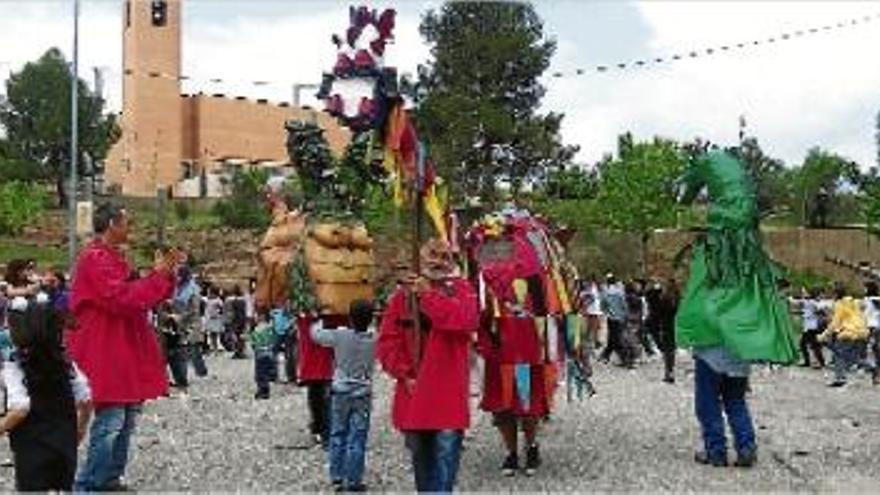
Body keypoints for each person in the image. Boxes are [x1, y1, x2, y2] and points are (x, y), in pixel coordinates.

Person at [676, 150, 799, 469]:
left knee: (707, 405)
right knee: (735, 400)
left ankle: (715, 451)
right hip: (738, 354)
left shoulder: (710, 274)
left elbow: (685, 195)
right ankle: (746, 448)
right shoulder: (749, 281)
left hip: (711, 352)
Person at [67, 202, 185, 491]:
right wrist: (156, 276)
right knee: (111, 420)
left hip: (122, 347)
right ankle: (89, 484)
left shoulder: (113, 258)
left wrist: (165, 274)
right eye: (126, 222)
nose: (130, 227)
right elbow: (122, 299)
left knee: (127, 418)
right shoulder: (95, 258)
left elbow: (142, 296)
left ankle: (109, 478)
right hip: (105, 349)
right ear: (111, 225)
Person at [377, 240, 480, 493]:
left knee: (444, 467)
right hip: (414, 395)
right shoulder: (401, 298)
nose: (438, 261)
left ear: (452, 262)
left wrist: (428, 296)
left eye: (444, 256)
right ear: (420, 261)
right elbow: (387, 342)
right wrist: (403, 372)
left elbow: (464, 322)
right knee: (422, 467)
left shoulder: (463, 290)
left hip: (447, 394)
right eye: (431, 256)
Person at [0, 298, 93, 491]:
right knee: (62, 485)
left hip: (31, 445)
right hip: (64, 440)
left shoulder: (15, 366)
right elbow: (85, 398)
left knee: (33, 486)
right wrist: (81, 426)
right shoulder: (65, 364)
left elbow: (20, 408)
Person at [311, 299, 376, 492]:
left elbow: (316, 335)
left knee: (338, 432)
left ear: (350, 318)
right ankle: (354, 480)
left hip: (340, 392)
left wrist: (321, 318)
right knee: (358, 436)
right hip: (363, 393)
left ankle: (337, 476)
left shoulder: (340, 336)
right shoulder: (374, 339)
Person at [819, 284, 869, 387]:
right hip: (861, 332)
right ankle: (873, 368)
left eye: (833, 293)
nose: (832, 295)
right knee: (851, 357)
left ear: (836, 294)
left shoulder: (839, 304)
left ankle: (840, 378)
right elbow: (863, 308)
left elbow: (835, 323)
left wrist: (823, 335)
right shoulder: (854, 301)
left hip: (848, 332)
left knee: (839, 355)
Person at [173, 266, 208, 379]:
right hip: (181, 322)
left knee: (194, 348)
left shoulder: (193, 289)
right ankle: (193, 372)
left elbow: (194, 309)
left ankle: (201, 371)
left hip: (192, 322)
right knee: (186, 348)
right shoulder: (179, 288)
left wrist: (181, 316)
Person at [645, 280, 678, 383]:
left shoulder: (664, 300)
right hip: (673, 326)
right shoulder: (676, 299)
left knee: (667, 350)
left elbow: (651, 301)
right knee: (671, 350)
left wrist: (655, 288)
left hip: (664, 326)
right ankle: (670, 371)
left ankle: (669, 372)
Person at [600, 274, 634, 368]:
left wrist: (606, 312)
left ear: (607, 281)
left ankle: (624, 359)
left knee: (615, 338)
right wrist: (626, 314)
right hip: (620, 318)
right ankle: (607, 355)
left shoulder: (605, 292)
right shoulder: (620, 291)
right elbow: (624, 304)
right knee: (616, 337)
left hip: (611, 318)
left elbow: (602, 305)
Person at [798, 287, 826, 369]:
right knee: (811, 345)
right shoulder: (810, 302)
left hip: (811, 327)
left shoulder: (811, 303)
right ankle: (817, 362)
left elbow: (820, 308)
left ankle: (815, 362)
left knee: (809, 345)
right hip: (810, 327)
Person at [251, 309, 275, 400]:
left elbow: (254, 342)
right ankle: (266, 390)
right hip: (269, 353)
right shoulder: (270, 327)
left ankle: (262, 391)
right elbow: (273, 339)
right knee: (266, 372)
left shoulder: (257, 329)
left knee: (260, 374)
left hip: (260, 354)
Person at [862, 281, 880, 385]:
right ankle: (875, 374)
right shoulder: (867, 299)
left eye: (865, 287)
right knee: (872, 350)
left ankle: (876, 374)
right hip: (868, 327)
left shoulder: (875, 299)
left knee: (873, 350)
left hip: (874, 327)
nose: (864, 289)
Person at [204, 286, 225, 352]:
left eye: (209, 292)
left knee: (215, 334)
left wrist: (218, 313)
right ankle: (213, 347)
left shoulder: (218, 300)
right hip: (209, 319)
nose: (208, 293)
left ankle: (216, 347)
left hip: (216, 319)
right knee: (211, 334)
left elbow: (222, 309)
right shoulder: (208, 300)